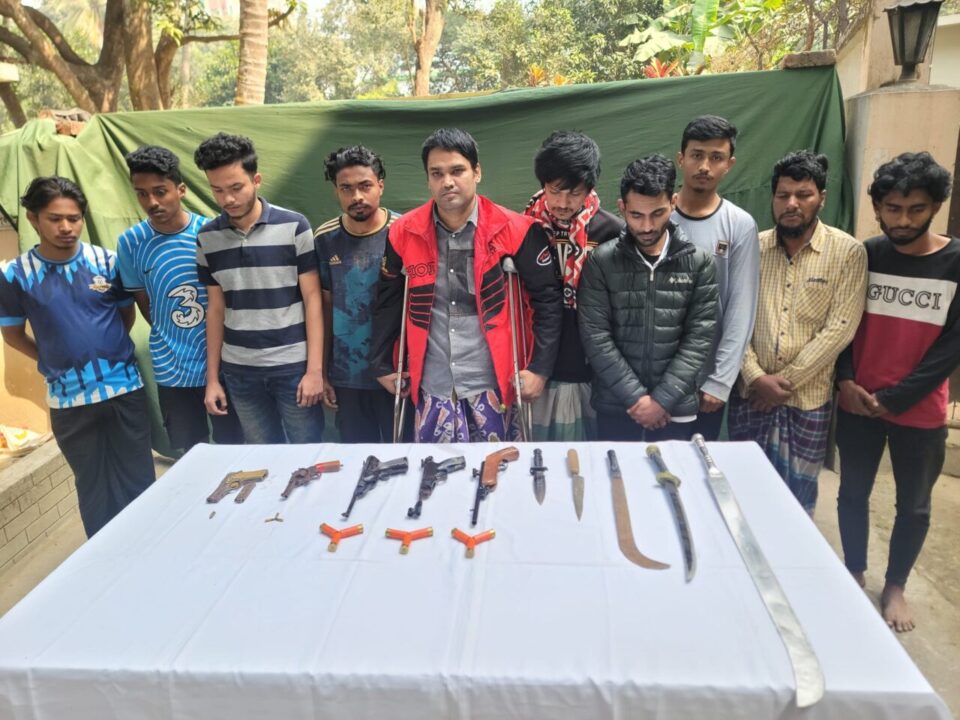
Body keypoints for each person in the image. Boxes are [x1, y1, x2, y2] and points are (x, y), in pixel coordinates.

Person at [370, 128, 562, 443]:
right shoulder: (403, 233)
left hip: (493, 381)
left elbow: (547, 301)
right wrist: (381, 364)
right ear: (428, 180)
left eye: (457, 171)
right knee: (435, 470)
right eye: (437, 173)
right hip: (432, 382)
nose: (447, 182)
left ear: (477, 172)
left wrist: (539, 369)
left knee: (499, 468)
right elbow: (388, 299)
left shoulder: (517, 230)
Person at [835, 152, 957, 633]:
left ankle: (896, 586)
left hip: (919, 411)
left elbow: (951, 347)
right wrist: (845, 379)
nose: (903, 220)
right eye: (893, 209)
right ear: (878, 207)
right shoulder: (866, 254)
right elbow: (843, 322)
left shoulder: (955, 262)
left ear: (935, 206)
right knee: (852, 492)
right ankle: (853, 570)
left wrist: (895, 398)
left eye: (915, 209)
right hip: (857, 403)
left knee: (914, 505)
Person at [0, 177, 155, 537]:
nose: (67, 227)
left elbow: (125, 316)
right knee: (93, 488)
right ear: (33, 218)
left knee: (140, 481)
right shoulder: (14, 275)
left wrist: (105, 351)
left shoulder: (108, 261)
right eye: (55, 218)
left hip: (124, 391)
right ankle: (105, 560)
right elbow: (12, 335)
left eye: (74, 218)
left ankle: (150, 547)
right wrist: (53, 360)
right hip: (69, 404)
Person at [729, 151, 867, 513]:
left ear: (821, 197)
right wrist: (755, 377)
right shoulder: (752, 247)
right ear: (773, 198)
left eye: (803, 195)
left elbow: (839, 329)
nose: (792, 204)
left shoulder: (848, 252)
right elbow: (733, 317)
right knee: (743, 495)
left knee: (796, 501)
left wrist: (780, 385)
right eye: (783, 195)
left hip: (806, 401)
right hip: (750, 397)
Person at [194, 132, 324, 444]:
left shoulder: (294, 226)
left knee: (307, 455)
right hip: (240, 373)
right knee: (260, 458)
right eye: (217, 190)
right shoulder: (207, 238)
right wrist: (213, 379)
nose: (227, 199)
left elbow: (313, 300)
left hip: (293, 368)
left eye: (236, 187)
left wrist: (314, 371)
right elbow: (215, 310)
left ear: (256, 180)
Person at [577, 154, 718, 441]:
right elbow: (596, 336)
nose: (647, 226)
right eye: (636, 215)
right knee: (615, 471)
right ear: (622, 208)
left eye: (657, 213)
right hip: (617, 405)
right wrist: (637, 399)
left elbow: (698, 339)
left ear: (674, 202)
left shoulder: (700, 263)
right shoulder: (601, 261)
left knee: (673, 471)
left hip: (676, 406)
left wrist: (661, 401)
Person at [117, 145, 243, 453]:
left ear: (181, 190)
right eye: (142, 194)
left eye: (160, 191)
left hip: (225, 365)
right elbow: (146, 304)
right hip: (172, 370)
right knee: (189, 454)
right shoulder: (130, 243)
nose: (152, 202)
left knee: (234, 449)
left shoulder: (211, 233)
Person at [524, 130, 622, 441]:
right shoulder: (525, 227)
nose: (563, 203)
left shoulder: (611, 231)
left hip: (588, 370)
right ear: (543, 184)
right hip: (534, 364)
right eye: (555, 191)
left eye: (574, 193)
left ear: (590, 189)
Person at [671, 116, 759, 440]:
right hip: (653, 378)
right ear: (681, 159)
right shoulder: (655, 217)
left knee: (697, 461)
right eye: (697, 155)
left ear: (729, 164)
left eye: (716, 157)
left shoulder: (740, 225)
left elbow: (741, 306)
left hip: (705, 382)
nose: (705, 166)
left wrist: (721, 380)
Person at [314, 146, 401, 442]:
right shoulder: (325, 239)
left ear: (380, 185)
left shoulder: (404, 232)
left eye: (365, 186)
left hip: (397, 371)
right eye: (346, 188)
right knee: (356, 458)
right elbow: (324, 308)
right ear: (336, 191)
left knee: (402, 454)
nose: (357, 197)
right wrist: (323, 372)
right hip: (347, 376)